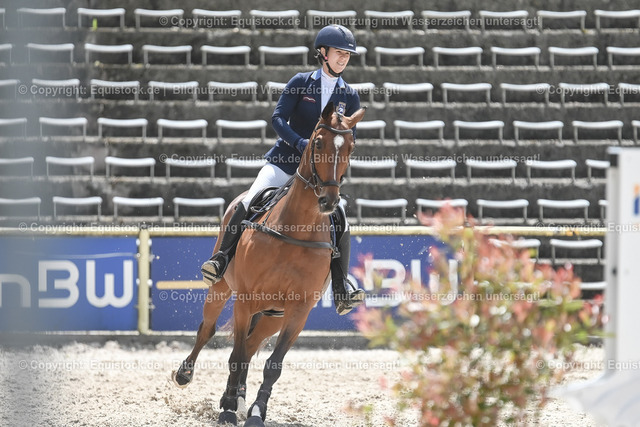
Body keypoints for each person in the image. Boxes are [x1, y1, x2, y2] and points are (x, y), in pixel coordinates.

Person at [201, 24, 365, 315]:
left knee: (341, 216)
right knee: (249, 201)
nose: (343, 58)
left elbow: (348, 136)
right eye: (339, 53)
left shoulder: (349, 96)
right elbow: (278, 118)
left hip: (317, 177)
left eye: (347, 55)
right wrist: (300, 143)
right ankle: (221, 259)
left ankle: (341, 287)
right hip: (284, 162)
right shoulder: (301, 82)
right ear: (323, 53)